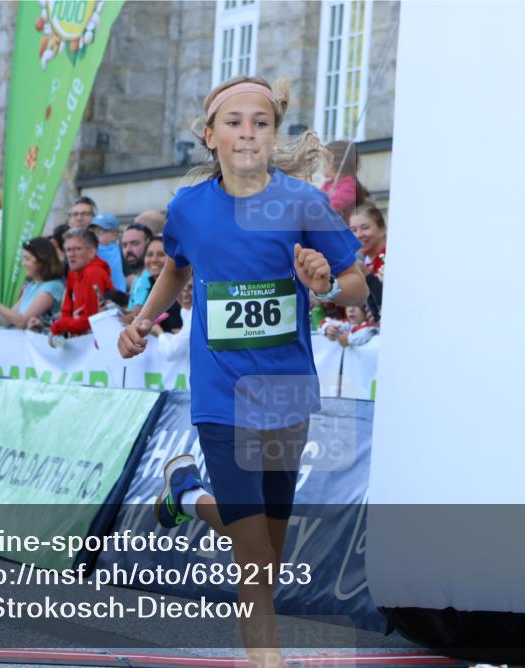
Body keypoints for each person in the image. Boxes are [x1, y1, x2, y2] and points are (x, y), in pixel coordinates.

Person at [117, 75, 368, 668]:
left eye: (261, 122)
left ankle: (185, 492)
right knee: (253, 549)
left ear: (274, 133)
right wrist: (143, 321)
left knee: (267, 547)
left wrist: (324, 282)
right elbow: (177, 268)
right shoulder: (188, 209)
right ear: (210, 136)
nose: (248, 131)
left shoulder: (304, 203)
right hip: (220, 392)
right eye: (234, 122)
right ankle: (264, 659)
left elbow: (356, 283)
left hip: (285, 390)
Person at [0, 237, 65, 330]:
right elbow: (7, 321)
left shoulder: (52, 287)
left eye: (27, 259)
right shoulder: (32, 285)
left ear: (41, 261)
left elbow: (23, 322)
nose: (23, 263)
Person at [49, 228, 112, 339]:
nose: (71, 255)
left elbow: (91, 320)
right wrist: (70, 321)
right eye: (68, 250)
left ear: (91, 252)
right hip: (80, 340)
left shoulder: (94, 273)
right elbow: (66, 311)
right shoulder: (73, 274)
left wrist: (57, 328)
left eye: (77, 249)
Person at [126, 237, 182, 332]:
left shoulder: (183, 289)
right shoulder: (148, 285)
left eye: (161, 254)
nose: (154, 260)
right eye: (149, 255)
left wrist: (157, 331)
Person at [322, 140, 370, 220]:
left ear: (338, 162)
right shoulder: (328, 185)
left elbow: (333, 206)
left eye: (326, 159)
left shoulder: (349, 186)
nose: (322, 163)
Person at [350, 202, 386, 281]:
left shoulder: (388, 259)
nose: (358, 235)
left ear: (382, 229)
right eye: (353, 230)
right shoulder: (364, 262)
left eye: (365, 228)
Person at [91, 212, 126, 292]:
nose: (95, 236)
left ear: (114, 235)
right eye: (93, 232)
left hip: (117, 293)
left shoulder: (120, 250)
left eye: (99, 233)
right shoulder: (93, 249)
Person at [122, 221, 153, 288]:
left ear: (149, 245)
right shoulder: (137, 279)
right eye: (124, 245)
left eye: (134, 243)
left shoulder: (156, 280)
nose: (128, 250)